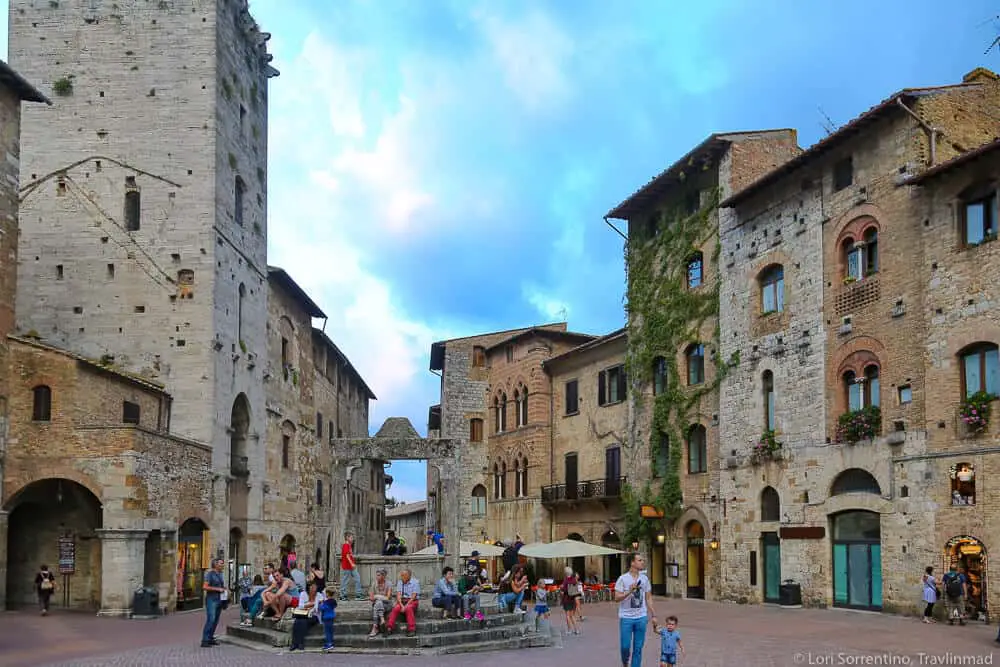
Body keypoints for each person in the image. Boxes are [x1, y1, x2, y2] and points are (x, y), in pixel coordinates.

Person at [615, 553, 657, 667]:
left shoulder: (644, 579)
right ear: (632, 563)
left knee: (638, 648)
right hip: (626, 618)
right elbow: (616, 598)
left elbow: (648, 597)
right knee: (625, 647)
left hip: (641, 617)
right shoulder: (623, 579)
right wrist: (629, 591)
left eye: (642, 560)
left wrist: (653, 615)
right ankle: (625, 662)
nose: (642, 562)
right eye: (639, 560)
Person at [289, 581, 323, 652]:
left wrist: (308, 605)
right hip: (302, 614)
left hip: (314, 615)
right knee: (297, 622)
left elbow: (319, 607)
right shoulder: (303, 594)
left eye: (315, 586)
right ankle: (294, 643)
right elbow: (300, 606)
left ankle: (300, 643)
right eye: (312, 586)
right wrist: (313, 603)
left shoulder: (319, 595)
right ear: (308, 587)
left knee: (303, 622)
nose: (314, 588)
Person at [386, 568, 420, 637]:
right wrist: (402, 605)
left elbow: (413, 597)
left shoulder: (415, 582)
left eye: (403, 575)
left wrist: (406, 606)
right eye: (401, 575)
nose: (401, 577)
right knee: (395, 608)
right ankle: (389, 627)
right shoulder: (400, 582)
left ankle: (412, 629)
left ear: (409, 576)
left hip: (412, 601)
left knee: (408, 608)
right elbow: (398, 596)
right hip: (402, 601)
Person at [201, 558, 227, 648]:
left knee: (216, 620)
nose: (222, 565)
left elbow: (221, 586)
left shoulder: (220, 574)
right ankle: (205, 639)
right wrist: (218, 589)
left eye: (222, 563)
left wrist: (225, 590)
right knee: (211, 619)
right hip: (211, 599)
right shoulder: (209, 574)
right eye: (221, 563)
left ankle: (210, 638)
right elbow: (205, 587)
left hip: (219, 599)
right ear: (215, 564)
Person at [367, 568, 393, 638]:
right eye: (377, 575)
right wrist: (378, 598)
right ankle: (382, 620)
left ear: (383, 576)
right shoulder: (374, 583)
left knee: (378, 603)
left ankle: (375, 627)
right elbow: (371, 598)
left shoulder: (389, 583)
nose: (377, 577)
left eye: (379, 575)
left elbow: (387, 598)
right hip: (377, 604)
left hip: (387, 604)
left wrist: (377, 596)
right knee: (378, 603)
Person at [340, 532, 363, 601]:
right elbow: (347, 556)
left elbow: (349, 555)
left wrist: (352, 563)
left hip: (351, 566)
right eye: (351, 537)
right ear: (347, 538)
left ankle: (358, 594)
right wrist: (352, 563)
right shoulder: (345, 545)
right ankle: (342, 595)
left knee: (357, 578)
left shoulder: (349, 546)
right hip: (347, 566)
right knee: (345, 581)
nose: (353, 539)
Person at [560, 566, 580, 635]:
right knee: (572, 615)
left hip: (566, 599)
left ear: (565, 572)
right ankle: (576, 629)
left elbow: (564, 590)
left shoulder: (566, 580)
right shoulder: (574, 579)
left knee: (568, 615)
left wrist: (561, 587)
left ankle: (569, 630)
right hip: (573, 599)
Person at [318, 586, 338, 652]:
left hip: (327, 618)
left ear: (327, 594)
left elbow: (322, 608)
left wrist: (320, 604)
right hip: (331, 617)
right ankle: (330, 643)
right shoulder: (333, 601)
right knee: (331, 631)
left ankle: (329, 644)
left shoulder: (327, 602)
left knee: (327, 632)